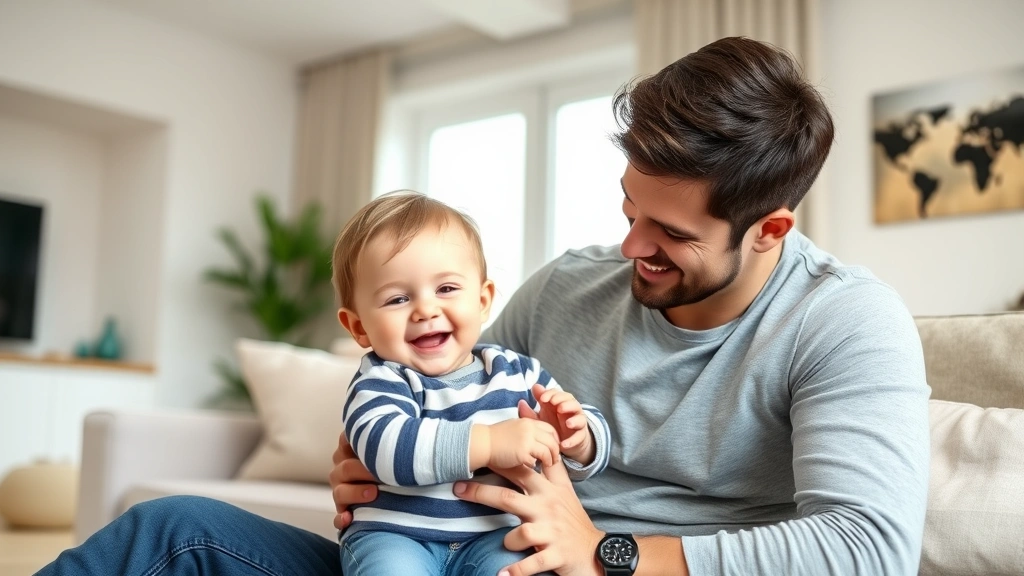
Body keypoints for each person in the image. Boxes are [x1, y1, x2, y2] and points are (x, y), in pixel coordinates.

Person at [37, 36, 930, 576]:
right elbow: (435, 391)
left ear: (768, 228)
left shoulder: (844, 322)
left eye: (670, 234)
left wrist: (605, 555)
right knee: (173, 532)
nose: (630, 250)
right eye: (628, 210)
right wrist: (358, 465)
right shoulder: (570, 285)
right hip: (455, 554)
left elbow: (866, 549)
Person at [331, 191, 610, 575]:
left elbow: (578, 423)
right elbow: (385, 446)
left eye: (446, 289)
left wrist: (578, 437)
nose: (426, 310)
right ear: (359, 327)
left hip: (496, 537)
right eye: (397, 299)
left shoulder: (515, 370)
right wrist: (490, 443)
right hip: (396, 536)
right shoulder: (380, 379)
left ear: (482, 300)